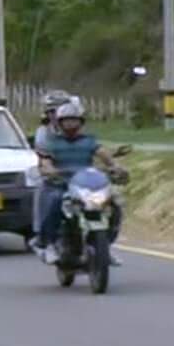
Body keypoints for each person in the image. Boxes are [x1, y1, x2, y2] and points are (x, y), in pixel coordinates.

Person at [35, 99, 127, 264]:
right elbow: (45, 162)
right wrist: (49, 169)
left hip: (85, 185)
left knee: (114, 203)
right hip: (61, 184)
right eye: (67, 121)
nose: (71, 124)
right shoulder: (51, 141)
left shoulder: (89, 140)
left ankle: (105, 246)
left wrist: (115, 166)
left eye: (74, 120)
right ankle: (49, 244)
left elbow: (102, 153)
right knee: (54, 202)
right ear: (60, 123)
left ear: (81, 122)